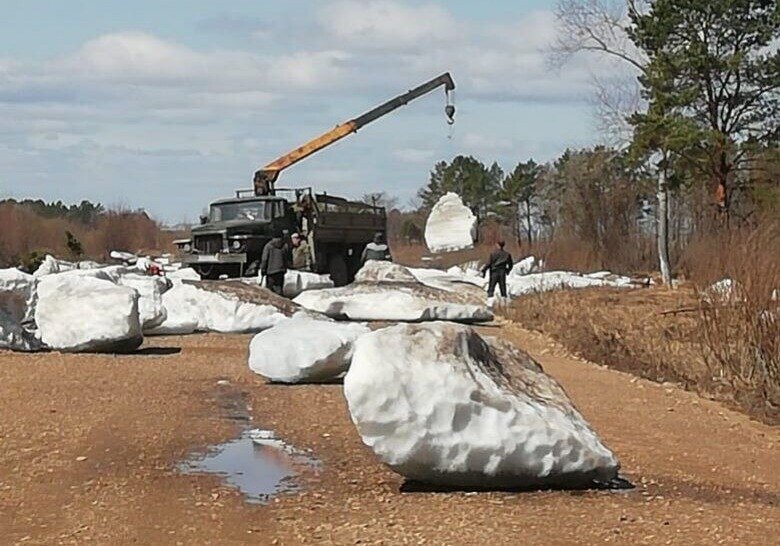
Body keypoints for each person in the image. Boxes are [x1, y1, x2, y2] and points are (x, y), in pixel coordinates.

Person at [260, 232, 290, 296]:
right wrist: (285, 268)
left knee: (269, 291)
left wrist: (263, 269)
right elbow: (286, 258)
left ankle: (271, 305)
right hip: (280, 270)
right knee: (279, 288)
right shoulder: (284, 246)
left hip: (270, 271)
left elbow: (264, 259)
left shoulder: (268, 246)